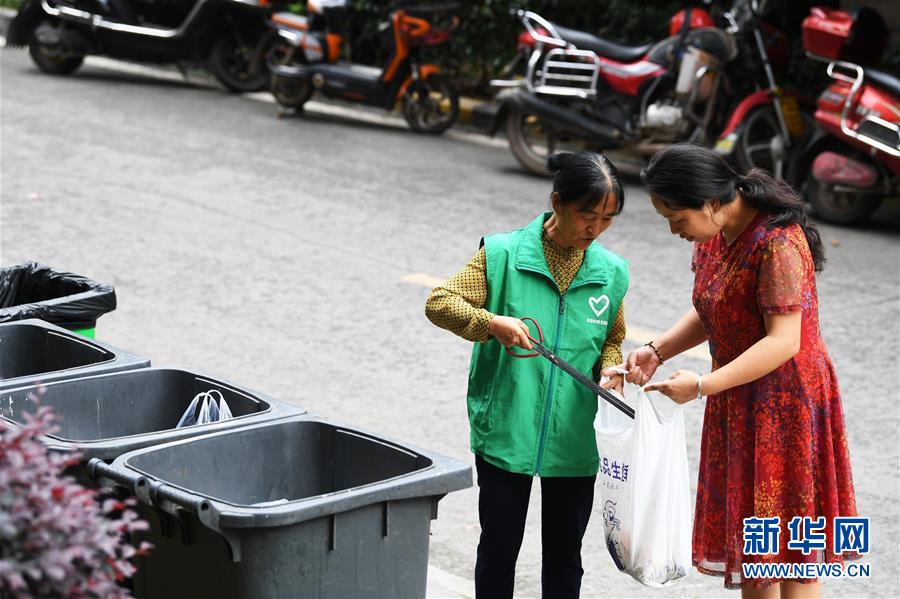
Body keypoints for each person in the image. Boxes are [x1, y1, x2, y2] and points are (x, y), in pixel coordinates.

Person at [626, 144, 858, 598]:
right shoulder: (715, 235)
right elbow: (714, 308)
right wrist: (658, 349)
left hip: (786, 408)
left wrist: (701, 386)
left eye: (677, 219)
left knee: (792, 555)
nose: (675, 231)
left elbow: (783, 341)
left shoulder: (777, 242)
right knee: (757, 555)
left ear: (712, 203)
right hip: (738, 400)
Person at [425, 151, 628, 598]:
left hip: (575, 435)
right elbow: (440, 303)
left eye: (608, 219)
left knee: (564, 554)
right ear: (557, 202)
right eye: (587, 215)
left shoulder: (610, 274)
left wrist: (612, 363)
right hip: (508, 424)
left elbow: (612, 336)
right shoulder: (501, 255)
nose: (594, 229)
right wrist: (491, 324)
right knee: (499, 546)